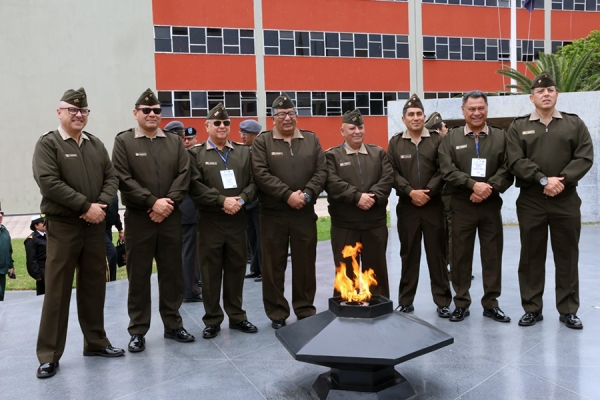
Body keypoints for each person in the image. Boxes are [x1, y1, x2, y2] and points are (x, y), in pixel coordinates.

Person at [32, 87, 124, 379]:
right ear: (59, 112)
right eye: (72, 110)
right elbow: (49, 182)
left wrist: (101, 205)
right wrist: (85, 206)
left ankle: (95, 342)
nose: (79, 115)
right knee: (57, 292)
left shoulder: (95, 145)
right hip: (64, 227)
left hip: (95, 228)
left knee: (94, 288)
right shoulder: (48, 145)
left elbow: (112, 177)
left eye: (83, 110)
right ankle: (49, 355)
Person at [506, 72, 594, 330]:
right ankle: (532, 308)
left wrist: (561, 181)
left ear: (557, 95)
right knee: (531, 255)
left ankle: (568, 310)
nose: (546, 94)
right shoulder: (518, 126)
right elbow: (515, 159)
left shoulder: (573, 124)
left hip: (565, 199)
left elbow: (584, 156)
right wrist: (543, 180)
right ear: (531, 97)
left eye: (551, 90)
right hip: (532, 199)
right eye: (541, 91)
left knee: (567, 255)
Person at [112, 88, 194, 353]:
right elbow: (123, 178)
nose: (151, 114)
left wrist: (167, 203)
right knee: (139, 276)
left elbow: (184, 174)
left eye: (156, 110)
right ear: (136, 113)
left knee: (172, 274)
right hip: (140, 218)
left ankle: (173, 324)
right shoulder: (124, 141)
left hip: (170, 217)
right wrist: (152, 202)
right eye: (146, 110)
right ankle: (138, 330)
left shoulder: (173, 141)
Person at [252, 93, 327, 329]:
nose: (287, 118)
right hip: (274, 214)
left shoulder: (310, 139)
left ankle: (305, 308)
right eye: (282, 114)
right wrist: (287, 195)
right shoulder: (262, 142)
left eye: (291, 113)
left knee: (305, 263)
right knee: (274, 265)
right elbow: (261, 174)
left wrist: (305, 194)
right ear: (273, 118)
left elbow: (321, 171)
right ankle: (277, 312)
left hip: (304, 212)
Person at [439, 90, 513, 323]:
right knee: (460, 256)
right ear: (463, 111)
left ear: (487, 109)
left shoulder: (502, 136)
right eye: (471, 108)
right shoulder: (451, 138)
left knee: (492, 255)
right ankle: (461, 303)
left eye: (481, 108)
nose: (476, 113)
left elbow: (509, 167)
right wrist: (473, 186)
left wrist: (488, 188)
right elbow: (447, 170)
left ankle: (491, 303)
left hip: (490, 204)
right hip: (462, 204)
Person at [188, 103, 259, 339]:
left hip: (237, 219)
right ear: (206, 126)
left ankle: (237, 317)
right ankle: (212, 320)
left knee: (236, 270)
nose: (221, 126)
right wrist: (221, 201)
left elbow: (254, 182)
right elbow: (195, 186)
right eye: (216, 123)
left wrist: (241, 200)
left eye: (226, 123)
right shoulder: (195, 153)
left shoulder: (243, 152)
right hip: (210, 221)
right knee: (210, 272)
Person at [387, 95, 453, 317]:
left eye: (418, 114)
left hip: (434, 206)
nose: (415, 118)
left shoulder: (437, 140)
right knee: (409, 255)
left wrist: (428, 192)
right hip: (407, 208)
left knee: (438, 255)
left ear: (424, 117)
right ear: (403, 119)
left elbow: (444, 169)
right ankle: (406, 301)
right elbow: (391, 173)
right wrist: (409, 191)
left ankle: (443, 301)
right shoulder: (395, 142)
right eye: (410, 115)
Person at [325, 109, 393, 298]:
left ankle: (378, 306)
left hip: (375, 224)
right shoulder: (332, 156)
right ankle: (347, 309)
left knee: (376, 270)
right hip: (345, 226)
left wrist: (372, 197)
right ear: (342, 131)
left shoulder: (378, 153)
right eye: (352, 128)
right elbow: (332, 182)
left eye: (360, 127)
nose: (357, 131)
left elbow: (387, 178)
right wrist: (356, 197)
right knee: (346, 271)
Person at [180, 126, 203, 303]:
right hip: (189, 211)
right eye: (184, 139)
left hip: (183, 211)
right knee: (190, 253)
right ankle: (191, 290)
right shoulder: (186, 157)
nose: (187, 142)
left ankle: (188, 286)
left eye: (190, 139)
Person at [239, 119, 263, 282]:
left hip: (259, 201)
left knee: (261, 238)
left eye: (246, 134)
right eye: (241, 133)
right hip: (247, 202)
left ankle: (263, 270)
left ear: (255, 135)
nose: (242, 136)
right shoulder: (243, 151)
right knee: (252, 237)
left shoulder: (259, 151)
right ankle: (255, 268)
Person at [24, 214, 47, 295]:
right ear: (36, 226)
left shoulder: (47, 236)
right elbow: (31, 259)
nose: (46, 224)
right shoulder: (31, 240)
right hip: (41, 268)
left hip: (50, 267)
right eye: (43, 223)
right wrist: (36, 274)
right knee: (43, 292)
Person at [104, 196, 124, 281]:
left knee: (111, 257)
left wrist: (120, 229)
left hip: (108, 230)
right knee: (111, 254)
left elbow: (115, 213)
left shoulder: (114, 194)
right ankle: (108, 285)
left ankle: (111, 284)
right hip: (98, 229)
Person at [0, 205, 15, 301]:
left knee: (1, 296)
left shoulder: (4, 231)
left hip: (2, 271)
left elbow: (8, 250)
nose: (0, 216)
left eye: (1, 213)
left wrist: (11, 265)